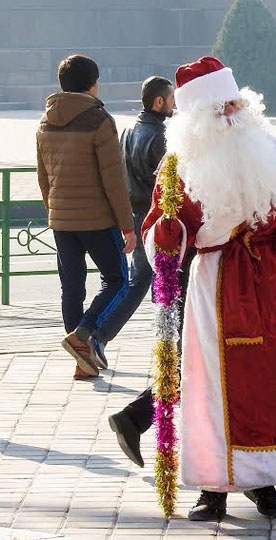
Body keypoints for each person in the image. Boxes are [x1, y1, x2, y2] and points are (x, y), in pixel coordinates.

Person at [141, 56, 276, 521]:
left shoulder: (272, 151)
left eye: (235, 103)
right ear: (199, 117)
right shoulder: (177, 166)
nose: (232, 113)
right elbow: (162, 233)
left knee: (270, 388)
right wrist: (167, 234)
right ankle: (212, 488)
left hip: (270, 286)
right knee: (209, 388)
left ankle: (264, 482)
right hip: (214, 287)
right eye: (221, 107)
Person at [36, 54, 136, 380]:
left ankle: (81, 360)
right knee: (118, 280)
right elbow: (114, 179)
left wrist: (53, 212)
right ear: (93, 84)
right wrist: (127, 226)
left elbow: (43, 176)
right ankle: (84, 334)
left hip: (61, 220)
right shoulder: (99, 119)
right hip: (97, 219)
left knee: (71, 288)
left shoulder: (45, 121)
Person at [90, 75, 175, 365]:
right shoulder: (162, 137)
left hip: (130, 213)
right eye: (171, 98)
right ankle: (97, 335)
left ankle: (98, 334)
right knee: (140, 281)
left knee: (140, 280)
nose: (174, 104)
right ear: (159, 102)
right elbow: (168, 185)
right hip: (151, 216)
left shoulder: (129, 129)